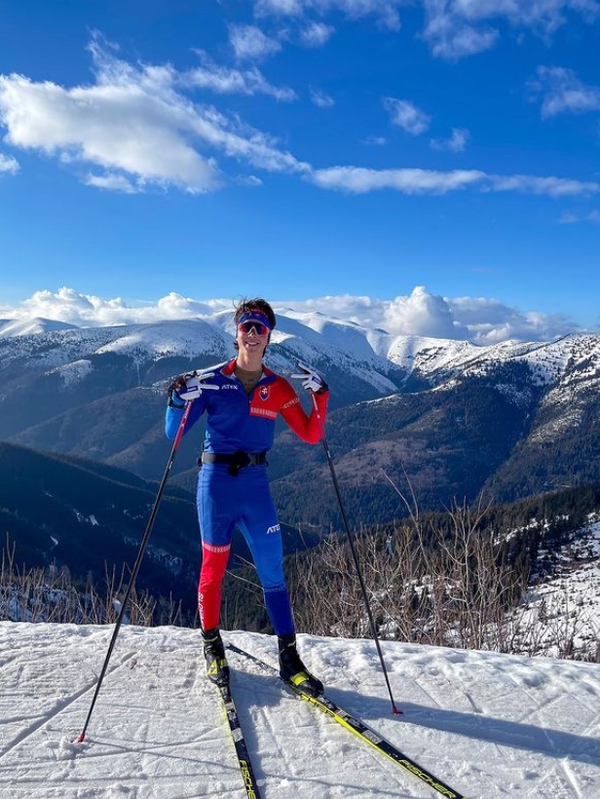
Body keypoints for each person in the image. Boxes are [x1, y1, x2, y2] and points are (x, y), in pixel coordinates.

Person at [165, 298, 329, 696]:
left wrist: (321, 397)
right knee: (213, 568)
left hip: (256, 486)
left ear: (269, 336)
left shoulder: (278, 388)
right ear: (235, 332)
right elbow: (175, 433)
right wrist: (175, 399)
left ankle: (290, 661)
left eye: (260, 328)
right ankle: (212, 647)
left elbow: (311, 434)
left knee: (273, 570)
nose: (252, 334)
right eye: (246, 326)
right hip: (216, 482)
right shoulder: (210, 380)